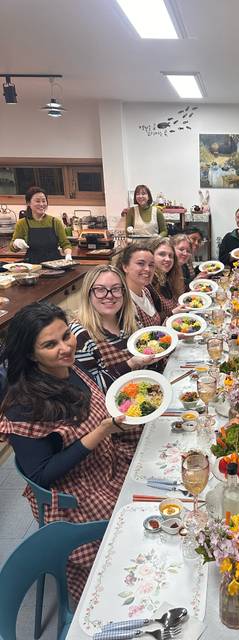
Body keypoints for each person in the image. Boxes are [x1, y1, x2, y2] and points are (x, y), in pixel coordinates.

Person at [0, 303, 130, 599]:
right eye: (50, 344)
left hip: (108, 465)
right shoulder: (23, 405)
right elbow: (41, 475)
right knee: (130, 541)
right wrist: (101, 432)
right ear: (31, 354)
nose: (65, 348)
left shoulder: (69, 368)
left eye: (66, 336)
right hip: (75, 497)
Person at [70, 265, 154, 393]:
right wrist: (130, 364)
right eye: (100, 289)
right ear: (88, 293)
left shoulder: (131, 320)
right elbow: (91, 387)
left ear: (124, 293)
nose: (109, 296)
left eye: (116, 289)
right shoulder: (79, 334)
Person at [10, 186, 72, 263]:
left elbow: (65, 244)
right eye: (38, 201)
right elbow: (12, 248)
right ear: (28, 203)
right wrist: (16, 244)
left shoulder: (55, 221)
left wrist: (68, 255)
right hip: (32, 266)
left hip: (55, 265)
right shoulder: (22, 223)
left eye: (44, 201)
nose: (42, 204)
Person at [115, 243, 164, 326]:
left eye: (151, 265)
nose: (147, 269)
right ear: (125, 267)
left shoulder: (146, 291)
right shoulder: (123, 301)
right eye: (141, 263)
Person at [148, 236, 184, 317]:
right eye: (162, 254)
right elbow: (154, 319)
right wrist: (173, 312)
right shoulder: (148, 284)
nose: (167, 259)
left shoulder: (167, 278)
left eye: (170, 256)